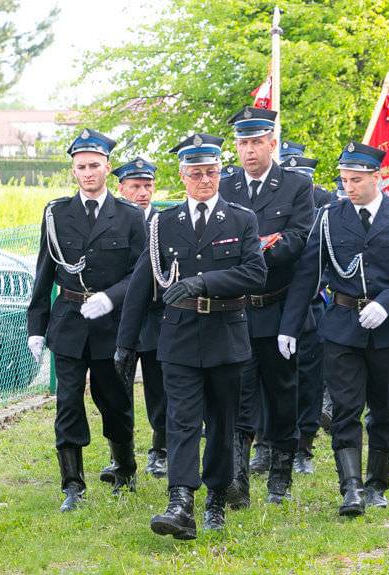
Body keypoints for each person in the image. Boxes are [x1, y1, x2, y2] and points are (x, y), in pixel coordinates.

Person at [115, 133, 267, 537]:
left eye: (212, 172)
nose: (205, 180)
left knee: (221, 421)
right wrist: (126, 343)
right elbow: (142, 284)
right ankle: (180, 500)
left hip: (225, 333)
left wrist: (203, 282)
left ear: (220, 172)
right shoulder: (164, 222)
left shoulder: (240, 219)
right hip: (179, 335)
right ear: (183, 176)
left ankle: (216, 497)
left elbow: (255, 273)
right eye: (196, 173)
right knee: (181, 420)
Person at [278, 141, 389, 516]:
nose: (349, 186)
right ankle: (351, 489)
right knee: (346, 409)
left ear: (377, 177)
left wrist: (387, 303)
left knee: (385, 408)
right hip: (343, 326)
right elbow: (308, 274)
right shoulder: (329, 217)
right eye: (345, 179)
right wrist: (290, 326)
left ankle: (377, 483)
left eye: (357, 179)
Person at [26, 129, 146, 512]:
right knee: (68, 403)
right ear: (73, 170)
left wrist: (110, 299)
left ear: (108, 168)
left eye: (95, 165)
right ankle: (72, 485)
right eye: (81, 167)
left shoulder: (129, 216)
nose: (88, 173)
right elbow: (44, 271)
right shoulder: (57, 213)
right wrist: (35, 325)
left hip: (111, 324)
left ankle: (124, 466)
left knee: (113, 401)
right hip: (70, 321)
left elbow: (140, 273)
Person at [219, 107, 314, 506]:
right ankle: (237, 478)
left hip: (277, 308)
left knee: (281, 394)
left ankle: (280, 475)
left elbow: (298, 242)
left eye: (257, 142)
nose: (249, 150)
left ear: (272, 144)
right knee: (238, 394)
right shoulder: (226, 187)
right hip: (237, 310)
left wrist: (253, 250)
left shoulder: (294, 186)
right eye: (243, 143)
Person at [109, 157, 168, 478]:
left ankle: (160, 451)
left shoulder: (165, 221)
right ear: (121, 189)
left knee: (161, 391)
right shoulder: (113, 221)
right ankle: (121, 454)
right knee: (118, 390)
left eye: (148, 186)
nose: (143, 193)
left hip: (158, 318)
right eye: (136, 187)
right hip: (122, 321)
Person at [281, 150, 336, 474]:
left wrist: (322, 284)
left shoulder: (325, 210)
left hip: (313, 307)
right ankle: (265, 445)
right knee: (271, 383)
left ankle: (304, 447)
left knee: (310, 382)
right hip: (276, 303)